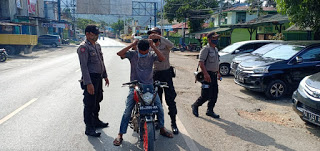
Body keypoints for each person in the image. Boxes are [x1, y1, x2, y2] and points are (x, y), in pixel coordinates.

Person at [113, 39, 173, 146]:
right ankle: (120, 134)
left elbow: (162, 58)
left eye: (146, 52)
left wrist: (153, 47)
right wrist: (132, 44)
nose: (144, 54)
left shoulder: (151, 55)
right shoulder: (132, 54)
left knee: (159, 108)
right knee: (128, 110)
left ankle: (162, 128)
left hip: (149, 86)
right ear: (138, 49)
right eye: (142, 52)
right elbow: (119, 53)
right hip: (135, 86)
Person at [77, 25, 110, 137]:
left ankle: (96, 121)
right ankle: (89, 127)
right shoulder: (83, 47)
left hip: (98, 78)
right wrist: (88, 83)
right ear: (87, 34)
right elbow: (84, 67)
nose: (96, 36)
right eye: (94, 34)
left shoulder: (97, 46)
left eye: (97, 34)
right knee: (89, 103)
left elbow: (101, 61)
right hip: (90, 78)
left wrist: (105, 75)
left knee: (97, 100)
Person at [147, 27, 179, 134]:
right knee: (157, 100)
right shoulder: (150, 45)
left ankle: (173, 123)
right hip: (155, 74)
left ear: (159, 34)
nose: (152, 36)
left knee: (170, 99)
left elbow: (172, 45)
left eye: (154, 34)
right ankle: (158, 122)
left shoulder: (164, 44)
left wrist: (160, 37)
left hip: (166, 74)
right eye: (151, 34)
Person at [191, 31, 221, 118]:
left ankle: (210, 110)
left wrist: (218, 73)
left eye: (216, 38)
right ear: (209, 39)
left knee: (214, 94)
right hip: (207, 75)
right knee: (206, 95)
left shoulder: (215, 49)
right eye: (214, 38)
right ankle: (195, 105)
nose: (216, 40)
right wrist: (205, 74)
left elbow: (216, 63)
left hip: (214, 75)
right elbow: (201, 62)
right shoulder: (205, 49)